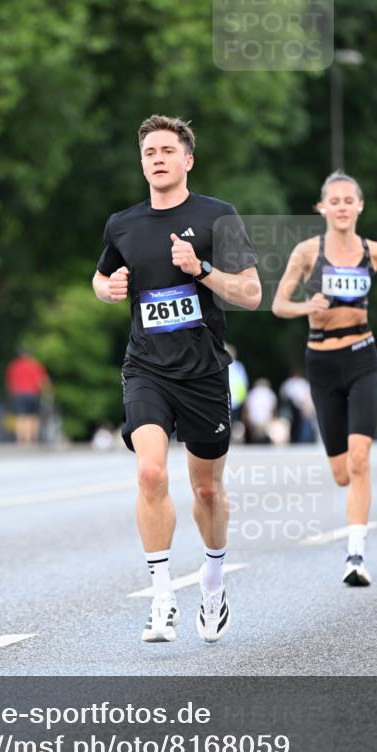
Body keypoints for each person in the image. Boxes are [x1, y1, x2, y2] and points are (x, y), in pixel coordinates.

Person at [93, 114, 261, 644]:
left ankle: (212, 582)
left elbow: (252, 294)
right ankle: (161, 594)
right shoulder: (122, 224)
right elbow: (101, 277)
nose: (158, 159)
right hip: (146, 368)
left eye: (168, 150)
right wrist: (109, 287)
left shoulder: (218, 217)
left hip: (204, 373)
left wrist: (202, 271)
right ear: (142, 162)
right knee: (150, 475)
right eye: (149, 152)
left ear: (188, 160)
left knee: (207, 488)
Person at [272, 171, 377, 586]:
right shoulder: (307, 253)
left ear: (359, 207)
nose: (343, 206)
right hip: (322, 363)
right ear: (322, 208)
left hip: (363, 357)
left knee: (361, 460)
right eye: (336, 200)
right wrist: (306, 305)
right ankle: (353, 540)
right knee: (342, 473)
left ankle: (355, 556)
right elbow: (278, 304)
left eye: (350, 200)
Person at [5, 347, 51, 445]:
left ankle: (21, 440)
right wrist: (47, 391)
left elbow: (9, 381)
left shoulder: (14, 365)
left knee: (21, 416)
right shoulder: (34, 365)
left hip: (17, 393)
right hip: (32, 393)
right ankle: (32, 439)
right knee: (33, 416)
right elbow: (41, 381)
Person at [243, 378, 278, 444]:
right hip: (266, 419)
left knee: (256, 437)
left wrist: (245, 418)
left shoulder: (252, 393)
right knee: (264, 436)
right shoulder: (269, 393)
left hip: (253, 419)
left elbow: (247, 408)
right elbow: (273, 408)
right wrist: (274, 418)